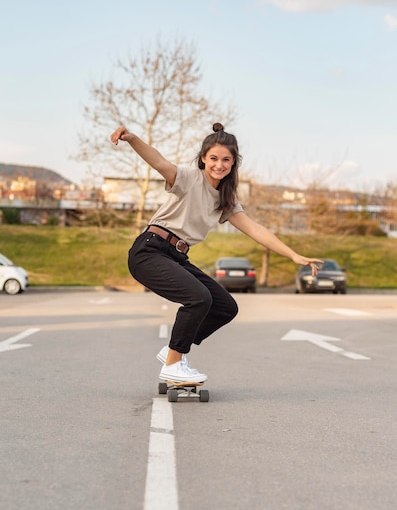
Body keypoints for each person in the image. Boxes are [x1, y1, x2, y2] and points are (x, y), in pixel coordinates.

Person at [110, 123, 323, 385]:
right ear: (203, 159)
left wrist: (293, 255)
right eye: (213, 158)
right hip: (150, 250)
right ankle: (174, 363)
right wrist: (132, 139)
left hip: (176, 255)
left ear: (234, 164)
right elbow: (159, 161)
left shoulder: (226, 199)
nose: (219, 165)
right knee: (198, 297)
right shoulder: (188, 177)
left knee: (225, 306)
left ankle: (172, 352)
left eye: (226, 160)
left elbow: (255, 229)